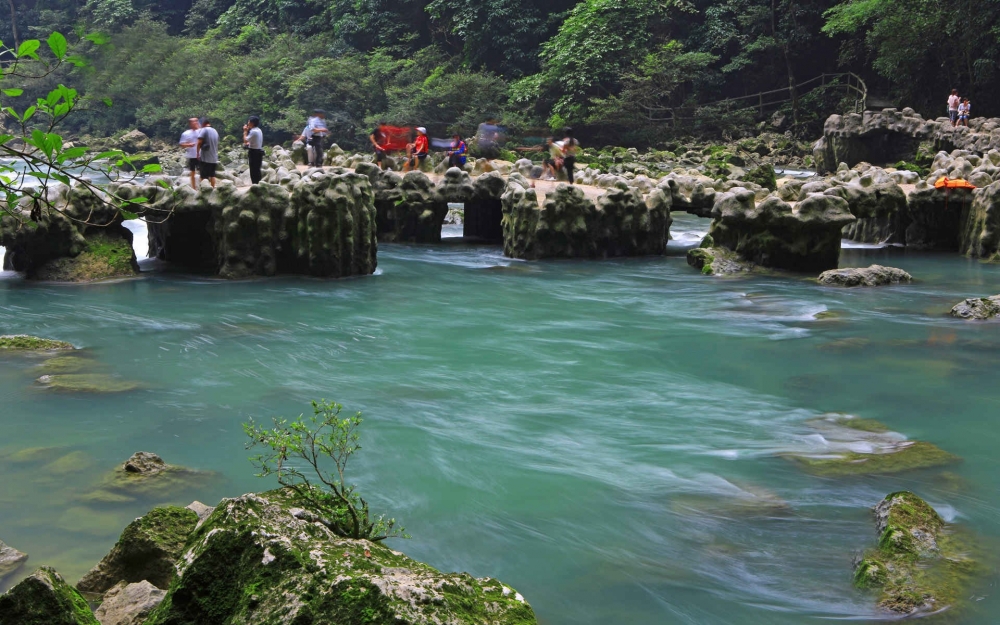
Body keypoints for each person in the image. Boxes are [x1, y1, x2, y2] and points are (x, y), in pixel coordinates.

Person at [196, 118, 219, 189]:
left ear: (203, 123)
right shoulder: (215, 131)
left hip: (205, 158)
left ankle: (204, 190)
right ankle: (213, 189)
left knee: (203, 176)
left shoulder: (204, 130)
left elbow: (199, 142)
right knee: (212, 175)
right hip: (214, 158)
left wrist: (197, 153)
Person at [179, 117, 200, 190]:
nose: (196, 123)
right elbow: (181, 144)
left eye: (196, 121)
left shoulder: (201, 131)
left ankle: (203, 186)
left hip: (202, 155)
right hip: (192, 156)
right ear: (190, 124)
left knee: (203, 172)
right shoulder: (186, 133)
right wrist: (188, 145)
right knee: (193, 172)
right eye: (194, 122)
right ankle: (194, 188)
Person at [243, 116, 264, 185]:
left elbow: (245, 140)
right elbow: (254, 141)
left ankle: (255, 185)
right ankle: (258, 185)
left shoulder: (253, 132)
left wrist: (245, 131)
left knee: (253, 170)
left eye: (249, 122)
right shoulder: (258, 130)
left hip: (254, 152)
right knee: (257, 170)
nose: (248, 123)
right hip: (259, 152)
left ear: (252, 123)